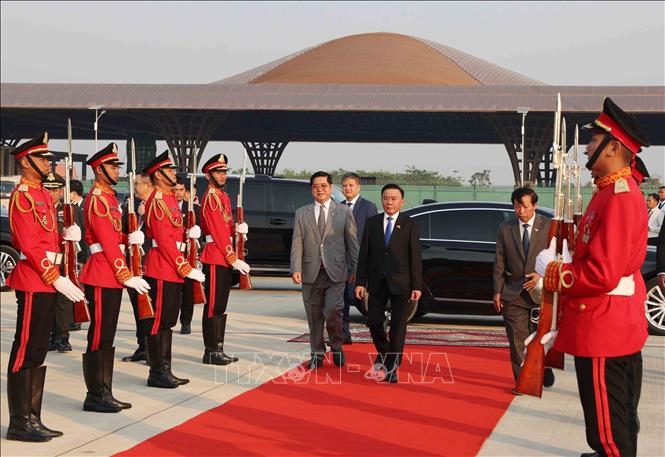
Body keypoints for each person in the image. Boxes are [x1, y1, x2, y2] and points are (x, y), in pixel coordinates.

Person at [534, 97, 650, 457]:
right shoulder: (609, 192)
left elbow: (602, 273)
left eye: (594, 140)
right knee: (616, 421)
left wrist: (553, 272)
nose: (586, 147)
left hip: (603, 326)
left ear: (614, 147)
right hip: (608, 322)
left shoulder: (619, 197)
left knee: (608, 431)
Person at [5, 132, 85, 442]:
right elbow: (28, 244)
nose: (47, 163)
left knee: (38, 349)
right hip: (34, 279)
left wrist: (67, 238)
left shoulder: (41, 194)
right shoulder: (23, 195)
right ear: (26, 162)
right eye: (41, 158)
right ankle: (19, 422)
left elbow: (46, 237)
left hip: (48, 280)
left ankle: (33, 417)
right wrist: (55, 276)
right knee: (26, 349)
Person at [78, 143, 150, 413]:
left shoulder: (108, 198)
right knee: (100, 335)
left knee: (107, 335)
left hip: (110, 271)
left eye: (117, 165)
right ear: (99, 169)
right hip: (102, 270)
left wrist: (130, 237)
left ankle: (104, 391)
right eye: (112, 166)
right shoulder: (98, 198)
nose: (117, 170)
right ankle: (95, 394)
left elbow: (114, 234)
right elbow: (106, 241)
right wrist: (125, 273)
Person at [142, 150, 205, 388]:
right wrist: (184, 267)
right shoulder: (158, 200)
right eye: (168, 170)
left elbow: (174, 234)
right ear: (158, 175)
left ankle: (165, 369)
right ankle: (157, 372)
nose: (173, 173)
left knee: (168, 321)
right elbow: (164, 239)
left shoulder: (168, 198)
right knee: (159, 321)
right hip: (162, 266)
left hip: (172, 266)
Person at [355, 184, 422, 383]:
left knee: (398, 327)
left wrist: (417, 285)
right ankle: (384, 351)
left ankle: (392, 368)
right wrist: (360, 282)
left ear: (402, 202)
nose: (389, 202)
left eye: (394, 198)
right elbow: (364, 254)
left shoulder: (409, 224)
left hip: (402, 283)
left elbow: (415, 256)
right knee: (374, 321)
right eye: (386, 198)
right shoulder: (372, 222)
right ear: (381, 200)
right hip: (377, 282)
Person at [291, 171, 358, 369]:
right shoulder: (302, 213)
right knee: (313, 315)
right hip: (310, 271)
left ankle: (336, 345)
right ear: (311, 189)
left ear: (330, 188)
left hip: (336, 271)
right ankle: (317, 353)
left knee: (332, 311)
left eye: (323, 186)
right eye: (315, 186)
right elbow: (297, 242)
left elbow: (352, 243)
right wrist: (295, 268)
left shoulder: (344, 212)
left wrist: (356, 269)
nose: (319, 189)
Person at [493, 187, 554, 389]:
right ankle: (523, 381)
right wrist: (497, 291)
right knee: (517, 340)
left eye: (525, 207)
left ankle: (543, 368)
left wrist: (542, 274)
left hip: (541, 292)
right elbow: (499, 261)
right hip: (513, 293)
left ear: (534, 206)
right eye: (517, 207)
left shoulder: (548, 226)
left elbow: (558, 255)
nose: (521, 211)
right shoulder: (505, 228)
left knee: (540, 337)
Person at [198, 153, 250, 365]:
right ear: (208, 175)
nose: (222, 175)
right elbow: (218, 232)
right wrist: (232, 257)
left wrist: (239, 231)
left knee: (220, 305)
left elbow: (226, 227)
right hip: (215, 255)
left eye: (224, 172)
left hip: (224, 254)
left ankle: (218, 347)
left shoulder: (223, 197)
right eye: (218, 172)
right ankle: (210, 351)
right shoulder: (211, 198)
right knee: (213, 305)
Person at [339, 172, 377, 344]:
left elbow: (372, 236)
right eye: (345, 186)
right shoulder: (337, 207)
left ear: (358, 187)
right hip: (340, 262)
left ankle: (378, 325)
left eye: (351, 185)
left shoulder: (368, 207)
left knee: (356, 297)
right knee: (341, 301)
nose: (347, 188)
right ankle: (343, 334)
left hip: (360, 261)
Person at [121, 172, 153, 363]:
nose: (135, 187)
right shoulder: (131, 204)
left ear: (148, 185)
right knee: (138, 308)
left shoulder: (157, 204)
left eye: (138, 183)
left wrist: (145, 214)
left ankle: (152, 348)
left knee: (150, 309)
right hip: (133, 264)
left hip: (150, 263)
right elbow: (124, 229)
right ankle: (142, 346)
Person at [42, 172, 74, 353]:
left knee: (63, 301)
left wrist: (81, 258)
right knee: (47, 301)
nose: (51, 193)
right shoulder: (40, 208)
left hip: (64, 261)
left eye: (55, 190)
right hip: (46, 261)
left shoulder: (69, 210)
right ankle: (51, 336)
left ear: (61, 191)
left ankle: (63, 337)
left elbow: (81, 236)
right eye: (48, 189)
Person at [174, 176, 195, 335]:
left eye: (181, 190)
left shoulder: (192, 208)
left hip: (187, 255)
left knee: (188, 291)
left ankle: (186, 322)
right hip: (172, 254)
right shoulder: (166, 206)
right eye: (175, 190)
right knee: (173, 291)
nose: (178, 193)